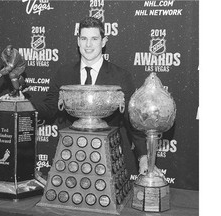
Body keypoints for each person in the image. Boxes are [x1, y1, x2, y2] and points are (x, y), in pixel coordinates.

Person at [38, 17, 151, 175]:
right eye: (84, 38)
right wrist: (21, 103)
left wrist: (144, 157)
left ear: (103, 41)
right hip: (71, 157)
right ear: (78, 41)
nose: (88, 45)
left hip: (108, 160)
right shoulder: (64, 73)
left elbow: (132, 120)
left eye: (94, 39)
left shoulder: (120, 77)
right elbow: (49, 108)